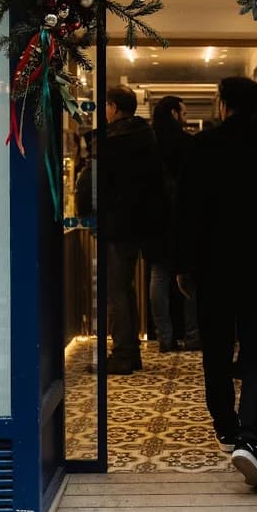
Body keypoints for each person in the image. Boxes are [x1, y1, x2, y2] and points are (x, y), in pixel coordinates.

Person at [175, 77, 257, 489]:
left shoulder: (203, 146)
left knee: (216, 348)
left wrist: (184, 264)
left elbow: (187, 210)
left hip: (213, 267)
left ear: (223, 104)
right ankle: (250, 437)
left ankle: (227, 425)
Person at [100, 85, 166, 375]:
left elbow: (103, 185)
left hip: (118, 224)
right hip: (146, 222)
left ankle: (124, 353)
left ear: (113, 107)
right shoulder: (147, 135)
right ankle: (129, 350)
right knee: (124, 290)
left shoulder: (113, 139)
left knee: (116, 290)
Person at [150, 95, 200, 352]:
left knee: (159, 275)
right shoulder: (188, 143)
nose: (187, 115)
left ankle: (164, 337)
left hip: (155, 216)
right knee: (189, 275)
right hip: (184, 215)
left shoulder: (149, 141)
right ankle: (192, 336)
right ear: (173, 113)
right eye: (184, 111)